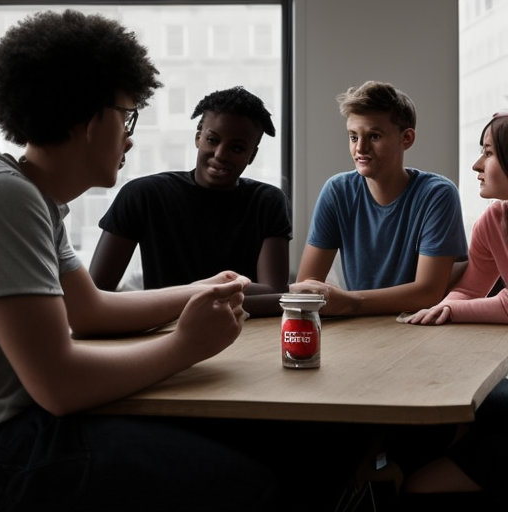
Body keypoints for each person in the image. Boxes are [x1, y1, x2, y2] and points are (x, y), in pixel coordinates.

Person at [0, 10, 286, 511]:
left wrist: (205, 288)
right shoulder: (10, 199)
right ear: (92, 119)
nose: (130, 135)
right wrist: (185, 344)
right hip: (15, 444)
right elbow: (59, 386)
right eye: (127, 115)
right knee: (255, 487)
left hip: (34, 424)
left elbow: (89, 311)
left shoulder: (34, 198)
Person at [89, 86, 292, 317]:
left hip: (244, 331)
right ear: (198, 138)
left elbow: (276, 295)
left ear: (252, 155)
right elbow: (96, 291)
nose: (220, 154)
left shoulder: (268, 202)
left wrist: (185, 301)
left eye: (237, 148)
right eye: (212, 140)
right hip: (165, 332)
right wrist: (207, 297)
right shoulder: (144, 195)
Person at [392, 111, 508, 511]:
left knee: (422, 479)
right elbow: (471, 287)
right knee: (441, 429)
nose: (477, 165)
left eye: (488, 154)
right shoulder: (494, 219)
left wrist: (452, 313)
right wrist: (440, 310)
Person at [289, 80, 469, 317]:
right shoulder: (337, 190)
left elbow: (428, 293)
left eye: (374, 136)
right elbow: (307, 284)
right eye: (353, 137)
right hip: (359, 326)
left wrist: (350, 302)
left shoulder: (437, 194)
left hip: (420, 325)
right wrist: (341, 301)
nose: (360, 148)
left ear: (406, 138)